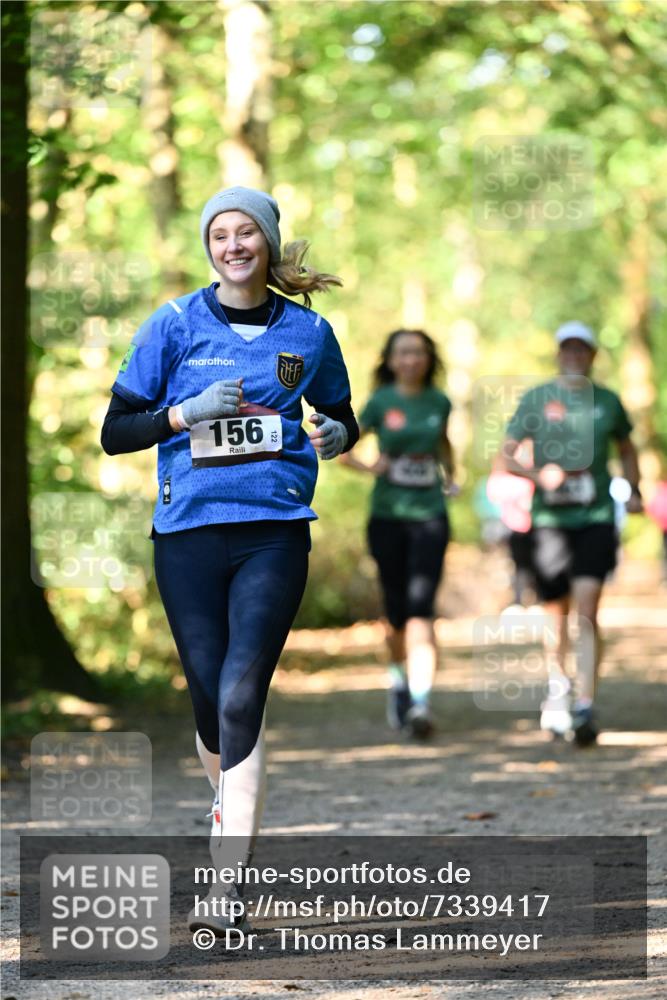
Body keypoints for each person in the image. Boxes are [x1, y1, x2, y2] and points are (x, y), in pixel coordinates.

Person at [101, 186, 358, 932]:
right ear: (208, 247)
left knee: (243, 693)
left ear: (269, 244)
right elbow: (115, 431)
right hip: (186, 535)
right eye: (221, 234)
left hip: (273, 530)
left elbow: (341, 418)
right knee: (210, 701)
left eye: (248, 233)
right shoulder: (175, 323)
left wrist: (338, 437)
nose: (234, 245)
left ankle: (225, 887)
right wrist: (185, 414)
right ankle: (228, 811)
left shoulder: (309, 335)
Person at [501, 321, 643, 746]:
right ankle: (558, 687)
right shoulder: (537, 399)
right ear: (559, 353)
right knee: (555, 612)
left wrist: (635, 490)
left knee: (588, 609)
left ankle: (585, 702)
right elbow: (507, 455)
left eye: (583, 350)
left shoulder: (610, 402)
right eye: (568, 349)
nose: (575, 356)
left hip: (595, 516)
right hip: (550, 523)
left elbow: (628, 447)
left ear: (593, 356)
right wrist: (537, 474)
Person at [339, 329, 455, 740]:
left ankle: (422, 703)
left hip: (431, 516)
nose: (412, 360)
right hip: (388, 516)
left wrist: (451, 476)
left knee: (423, 608)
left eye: (419, 353)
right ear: (390, 360)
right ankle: (399, 683)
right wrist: (372, 469)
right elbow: (344, 448)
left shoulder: (440, 401)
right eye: (404, 353)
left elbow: (443, 444)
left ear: (429, 358)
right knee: (396, 611)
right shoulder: (381, 403)